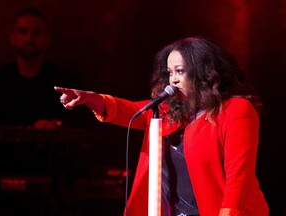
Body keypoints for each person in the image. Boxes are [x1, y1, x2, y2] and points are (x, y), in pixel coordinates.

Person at [54, 36, 269, 216]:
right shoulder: (168, 112)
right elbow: (128, 110)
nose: (172, 80)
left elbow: (238, 177)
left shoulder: (236, 110)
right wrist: (90, 98)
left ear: (203, 71)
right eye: (169, 73)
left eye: (180, 71)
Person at [0, 7, 77, 129]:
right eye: (23, 31)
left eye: (37, 32)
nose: (29, 39)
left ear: (47, 39)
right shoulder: (0, 80)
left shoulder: (63, 86)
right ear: (12, 38)